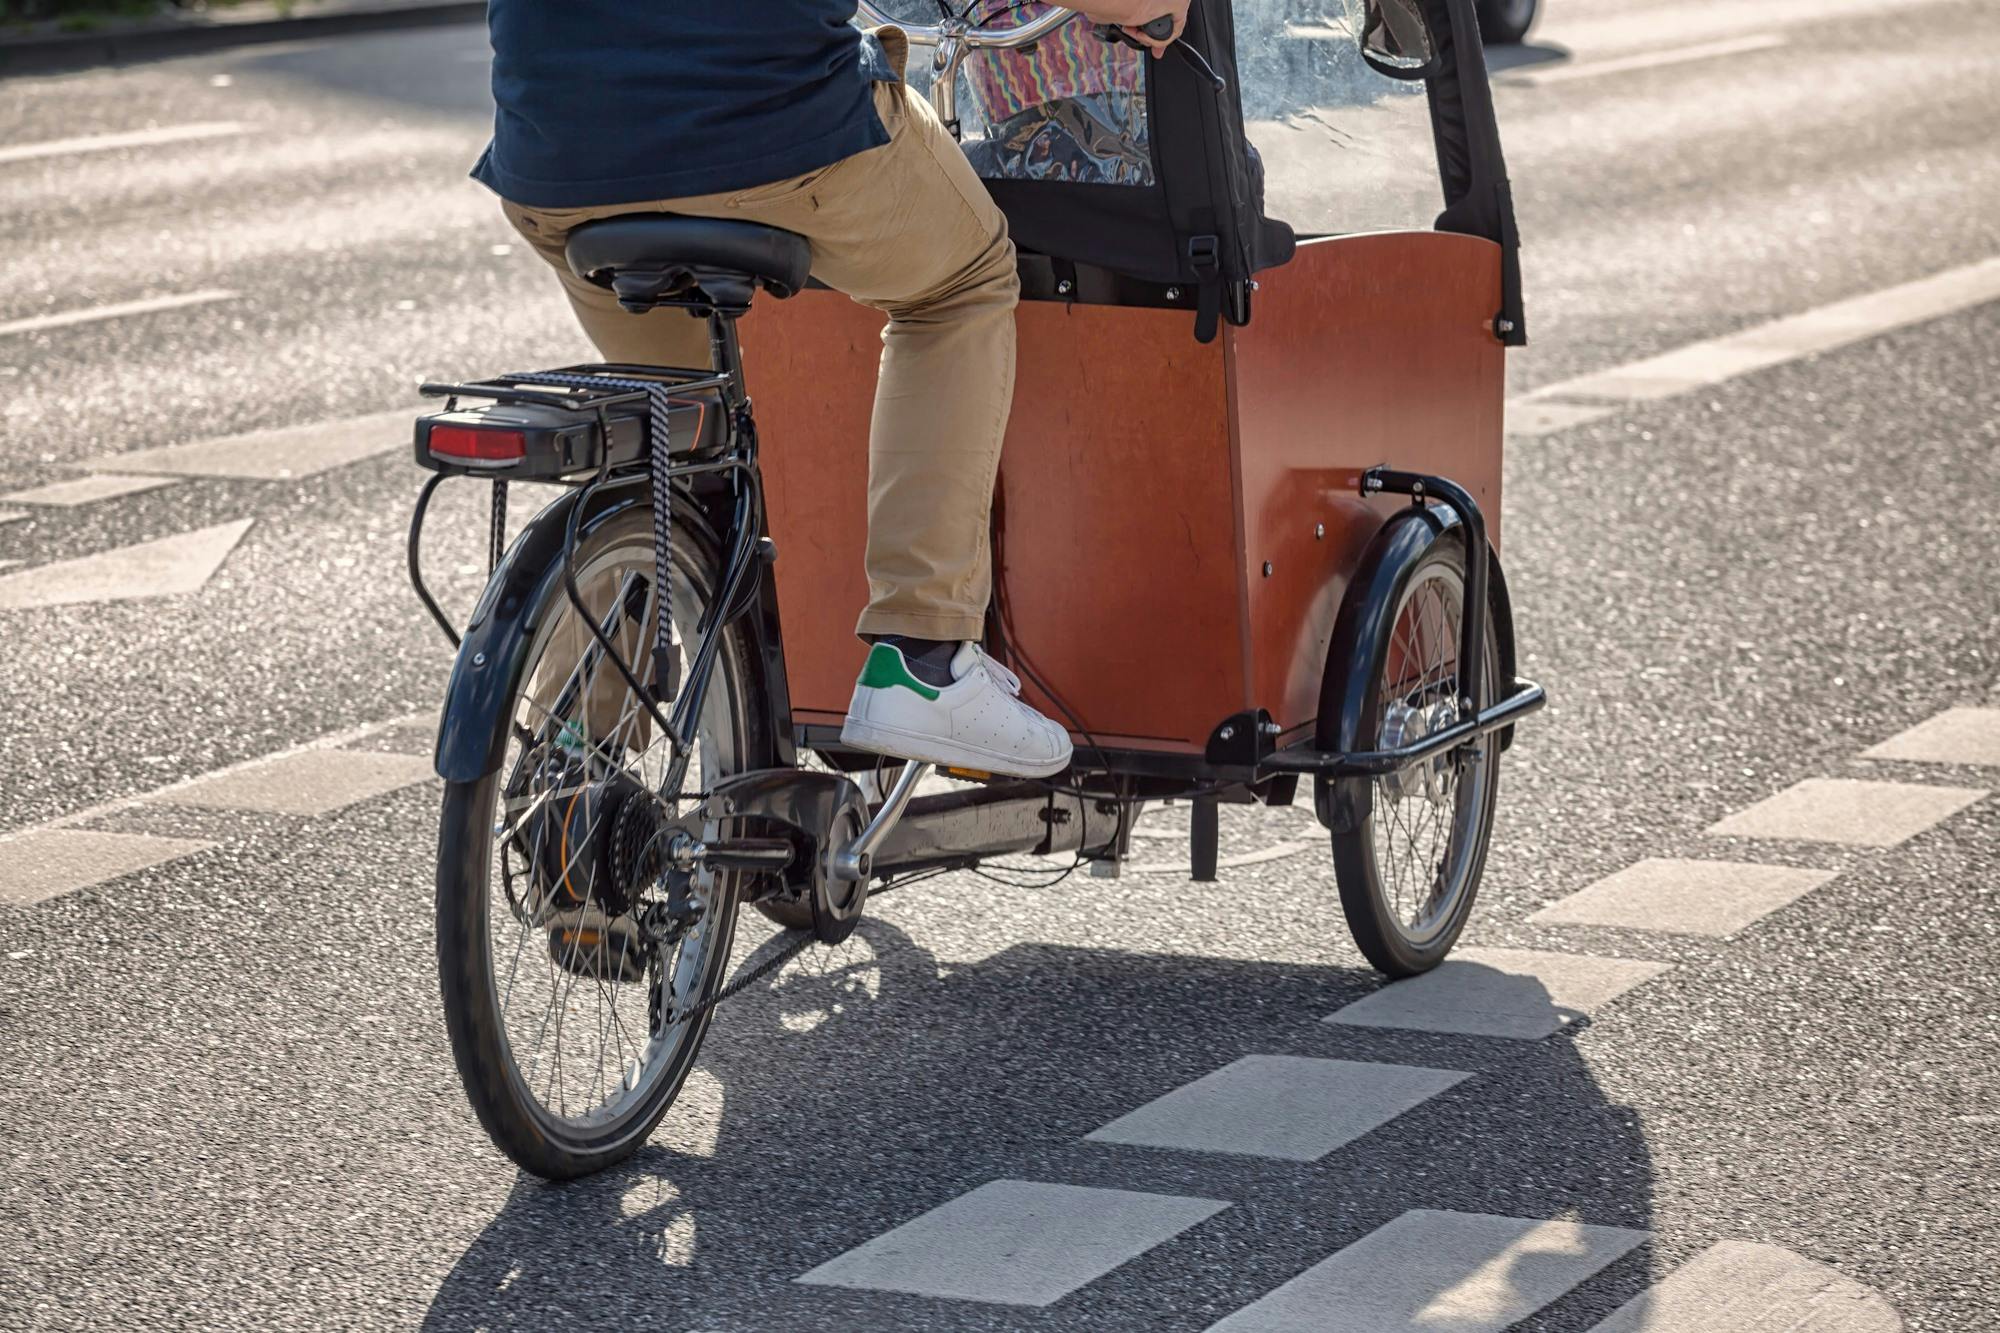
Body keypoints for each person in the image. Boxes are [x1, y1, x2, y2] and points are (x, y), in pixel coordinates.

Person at [475, 1, 1188, 780]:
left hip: (552, 154)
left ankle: (575, 757)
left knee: (675, 418)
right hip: (767, 127)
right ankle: (924, 657)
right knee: (963, 281)